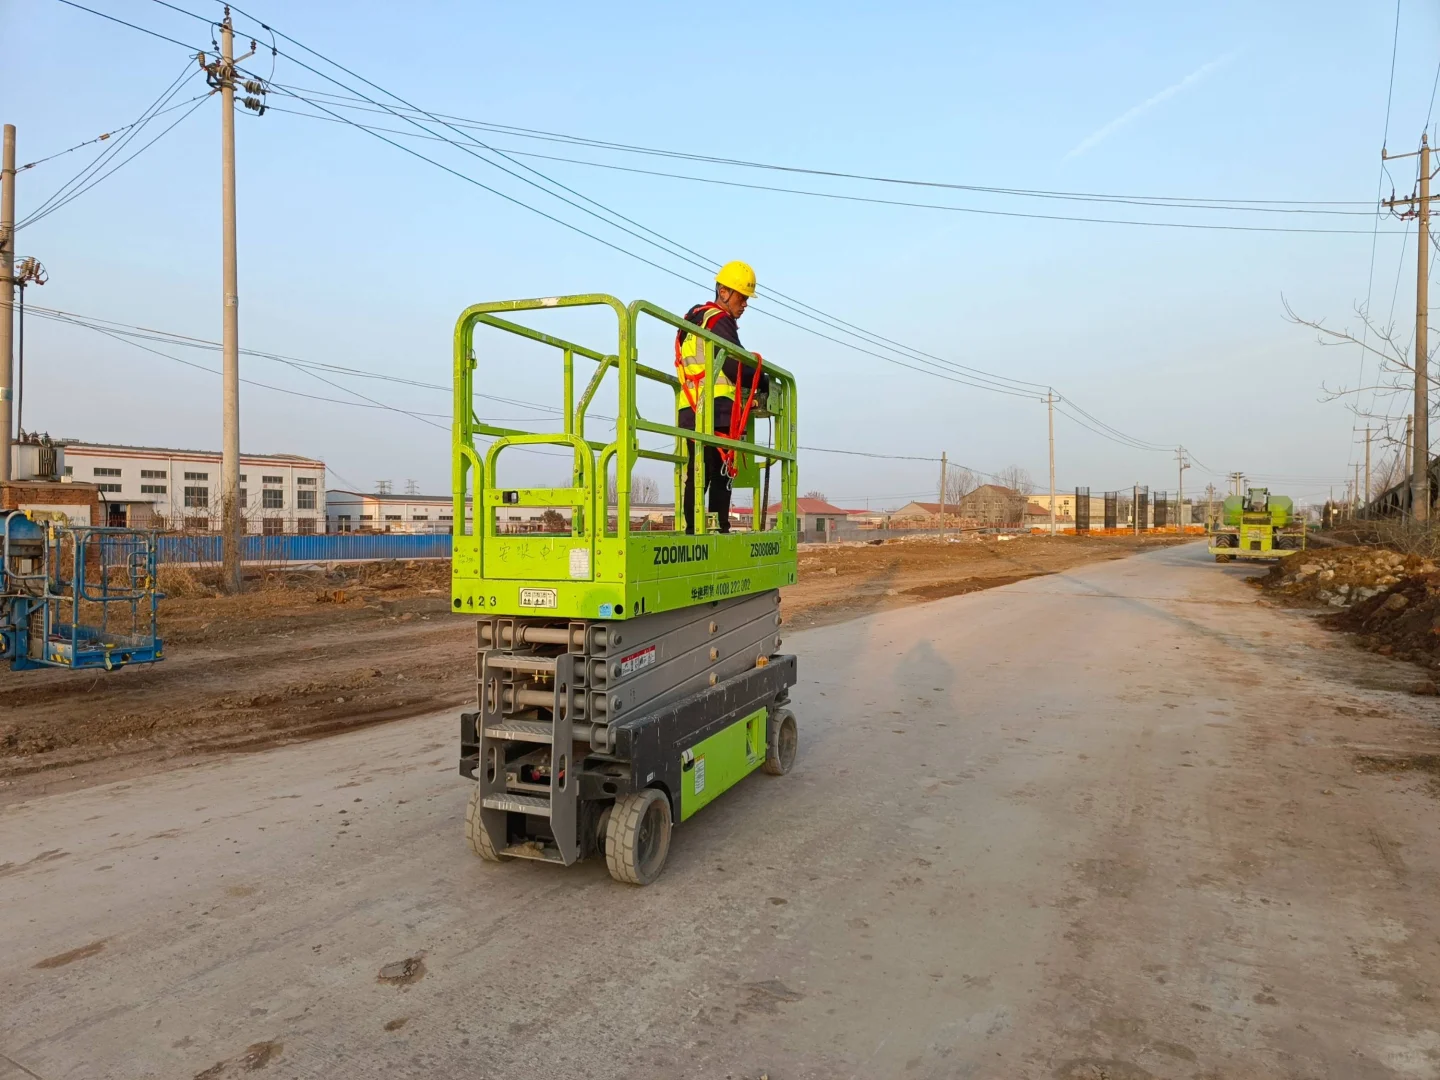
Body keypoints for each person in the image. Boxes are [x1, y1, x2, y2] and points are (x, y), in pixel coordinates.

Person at [675, 261, 769, 534]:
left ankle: (693, 529)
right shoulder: (719, 320)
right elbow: (734, 364)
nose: (745, 305)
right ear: (724, 291)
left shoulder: (695, 318)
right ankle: (720, 529)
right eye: (742, 297)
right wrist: (763, 379)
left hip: (691, 409)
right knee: (721, 471)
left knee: (697, 471)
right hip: (717, 410)